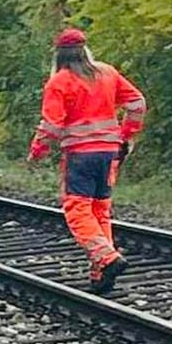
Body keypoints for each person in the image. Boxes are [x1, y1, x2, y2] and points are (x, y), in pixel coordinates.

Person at [27, 28, 146, 293]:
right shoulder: (107, 73)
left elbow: (52, 127)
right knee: (99, 209)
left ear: (59, 55)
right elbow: (137, 104)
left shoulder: (59, 82)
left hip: (80, 156)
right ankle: (100, 272)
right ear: (85, 50)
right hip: (109, 153)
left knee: (78, 210)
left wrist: (37, 151)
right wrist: (126, 136)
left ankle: (108, 258)